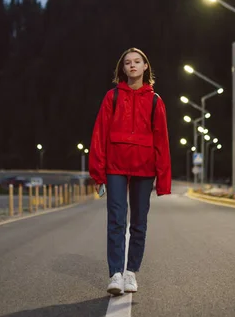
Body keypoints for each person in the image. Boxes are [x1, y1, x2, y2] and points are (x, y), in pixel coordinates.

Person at [89, 47, 172, 296]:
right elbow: (99, 135)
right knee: (116, 220)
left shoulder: (156, 100)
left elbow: (162, 141)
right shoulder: (111, 97)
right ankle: (115, 273)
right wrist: (98, 173)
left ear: (146, 67)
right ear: (122, 69)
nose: (132, 66)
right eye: (128, 63)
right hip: (115, 166)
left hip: (144, 169)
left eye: (137, 62)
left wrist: (163, 180)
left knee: (139, 223)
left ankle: (130, 272)